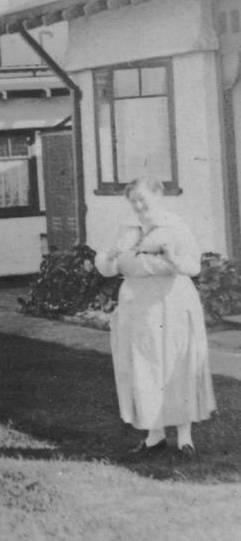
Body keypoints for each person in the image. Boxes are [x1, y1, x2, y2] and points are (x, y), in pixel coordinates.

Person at [96, 176, 216, 459]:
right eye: (133, 201)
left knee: (177, 364)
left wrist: (171, 258)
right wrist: (111, 256)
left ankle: (185, 437)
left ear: (157, 197)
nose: (139, 205)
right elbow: (106, 268)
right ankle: (155, 434)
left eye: (143, 199)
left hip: (171, 303)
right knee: (144, 368)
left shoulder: (175, 226)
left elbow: (192, 266)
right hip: (137, 307)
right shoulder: (126, 230)